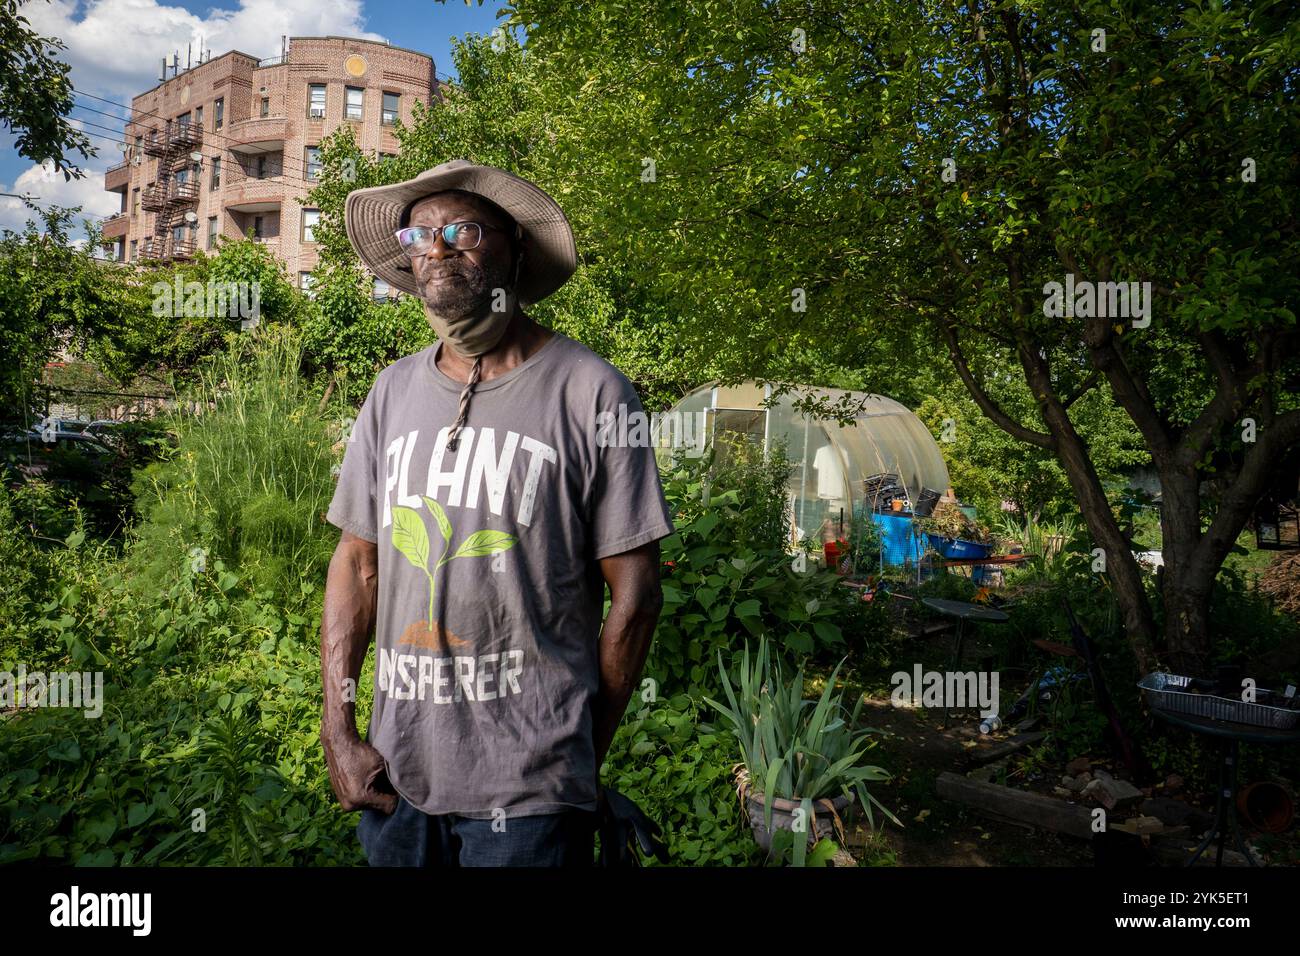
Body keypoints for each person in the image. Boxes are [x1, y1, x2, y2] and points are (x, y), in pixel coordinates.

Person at [319, 159, 675, 866]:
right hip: (399, 774)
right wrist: (339, 729)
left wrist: (579, 756)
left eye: (462, 229)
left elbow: (634, 596)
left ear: (513, 245)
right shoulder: (390, 394)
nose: (439, 247)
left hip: (533, 790)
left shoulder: (592, 393)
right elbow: (358, 565)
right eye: (419, 235)